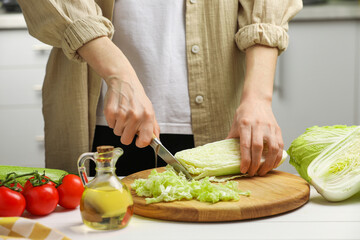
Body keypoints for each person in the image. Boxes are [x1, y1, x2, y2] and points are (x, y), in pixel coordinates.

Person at [17, 0, 302, 176]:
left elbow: (267, 7)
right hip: (103, 122)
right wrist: (119, 76)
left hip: (222, 126)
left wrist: (258, 98)